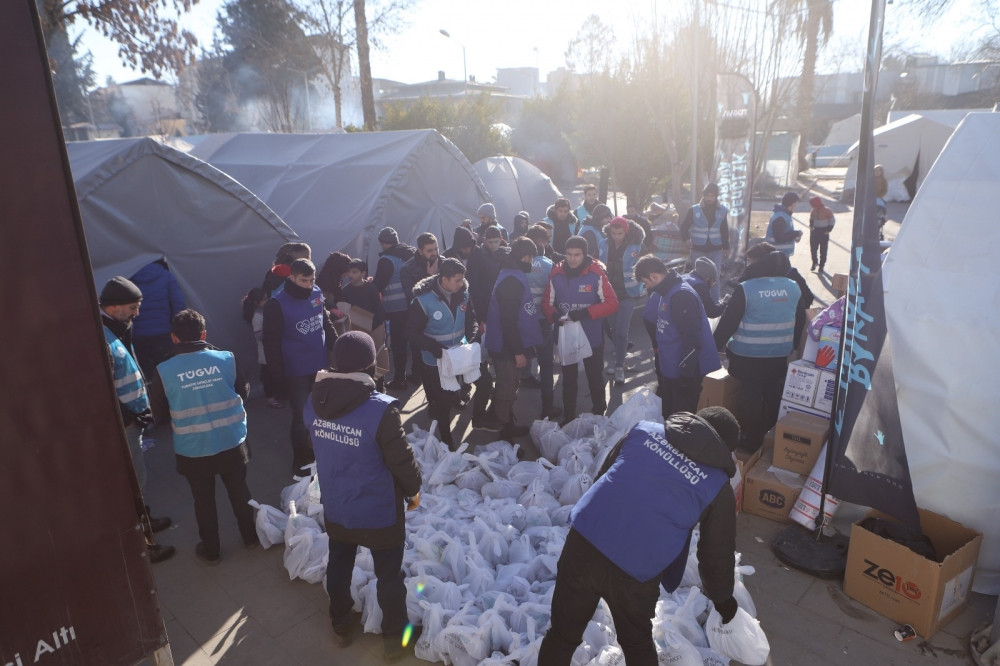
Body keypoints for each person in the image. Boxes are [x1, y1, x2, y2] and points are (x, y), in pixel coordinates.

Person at [538, 408, 742, 666]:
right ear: (723, 448)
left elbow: (606, 478)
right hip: (635, 569)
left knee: (561, 636)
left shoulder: (643, 431)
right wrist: (723, 601)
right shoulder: (716, 485)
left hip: (584, 542)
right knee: (637, 645)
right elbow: (716, 555)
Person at [305, 331, 421, 663]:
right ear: (371, 366)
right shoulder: (380, 411)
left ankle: (341, 624)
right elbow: (400, 460)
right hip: (378, 510)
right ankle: (394, 639)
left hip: (338, 504)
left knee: (339, 562)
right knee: (389, 575)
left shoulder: (312, 401)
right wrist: (413, 489)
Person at [151, 309, 257, 564]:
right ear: (204, 334)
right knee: (239, 492)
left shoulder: (164, 370)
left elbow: (159, 413)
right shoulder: (226, 358)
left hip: (193, 449)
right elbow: (243, 392)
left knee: (203, 500)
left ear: (174, 338)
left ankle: (211, 550)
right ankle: (251, 537)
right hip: (231, 441)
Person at [99, 276, 175, 563]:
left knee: (138, 480)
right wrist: (129, 416)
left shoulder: (115, 328)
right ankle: (144, 544)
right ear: (114, 306)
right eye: (132, 307)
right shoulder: (102, 338)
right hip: (125, 424)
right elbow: (103, 389)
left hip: (132, 420)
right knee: (133, 482)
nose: (137, 314)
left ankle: (146, 520)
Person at [714, 251, 800, 452]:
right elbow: (800, 318)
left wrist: (715, 344)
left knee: (750, 394)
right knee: (772, 391)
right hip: (779, 353)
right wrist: (794, 346)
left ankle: (751, 438)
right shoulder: (792, 287)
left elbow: (729, 321)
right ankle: (772, 433)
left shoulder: (747, 288)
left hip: (748, 354)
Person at [263, 258, 338, 472]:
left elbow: (325, 322)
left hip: (321, 366)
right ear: (292, 278)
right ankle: (301, 459)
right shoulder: (276, 304)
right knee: (301, 415)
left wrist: (339, 348)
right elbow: (271, 343)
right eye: (303, 280)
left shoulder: (316, 293)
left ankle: (322, 450)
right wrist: (278, 377)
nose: (308, 284)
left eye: (311, 280)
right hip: (296, 371)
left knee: (324, 411)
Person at [542, 236, 619, 423]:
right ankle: (569, 417)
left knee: (595, 378)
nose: (572, 259)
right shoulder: (557, 273)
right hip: (567, 336)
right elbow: (546, 303)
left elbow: (612, 303)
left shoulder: (596, 273)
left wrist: (586, 312)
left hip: (592, 336)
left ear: (585, 254)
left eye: (577, 255)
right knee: (568, 380)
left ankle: (599, 414)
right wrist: (553, 315)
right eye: (568, 254)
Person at [406, 258, 479, 449]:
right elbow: (412, 333)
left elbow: (471, 320)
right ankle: (447, 439)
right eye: (456, 280)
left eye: (462, 279)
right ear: (444, 279)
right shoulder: (423, 301)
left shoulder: (463, 294)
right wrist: (433, 347)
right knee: (443, 401)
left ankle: (453, 401)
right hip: (435, 360)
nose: (461, 283)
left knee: (461, 388)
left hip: (459, 356)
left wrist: (471, 337)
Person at [635, 256, 721, 418]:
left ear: (654, 276)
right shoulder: (666, 291)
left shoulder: (681, 295)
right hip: (671, 368)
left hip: (683, 374)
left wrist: (685, 375)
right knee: (668, 414)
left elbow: (692, 338)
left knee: (680, 419)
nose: (646, 287)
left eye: (645, 283)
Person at [482, 238, 543, 440]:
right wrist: (518, 351)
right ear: (521, 256)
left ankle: (505, 420)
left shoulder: (512, 273)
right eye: (529, 256)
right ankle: (503, 432)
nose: (530, 261)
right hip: (506, 346)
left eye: (532, 257)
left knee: (509, 385)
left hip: (506, 343)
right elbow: (508, 321)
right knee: (506, 387)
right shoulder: (511, 281)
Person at [467, 226, 510, 427]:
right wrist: (480, 316)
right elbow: (474, 287)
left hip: (501, 310)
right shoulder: (477, 256)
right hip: (484, 310)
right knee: (482, 355)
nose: (493, 245)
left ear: (500, 239)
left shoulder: (505, 253)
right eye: (489, 242)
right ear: (484, 240)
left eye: (496, 241)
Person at [598, 216, 645, 385]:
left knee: (622, 331)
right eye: (614, 233)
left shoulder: (636, 246)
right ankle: (620, 360)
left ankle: (619, 366)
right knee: (613, 328)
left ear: (626, 231)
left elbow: (645, 265)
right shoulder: (603, 244)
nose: (617, 236)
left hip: (628, 294)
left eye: (620, 233)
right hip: (608, 294)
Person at [128, 259, 186, 385]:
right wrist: (175, 327)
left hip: (138, 336)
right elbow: (179, 303)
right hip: (163, 334)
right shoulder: (165, 275)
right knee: (173, 375)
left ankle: (155, 402)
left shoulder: (129, 276)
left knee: (148, 379)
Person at [373, 227, 416, 391]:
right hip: (412, 305)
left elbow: (379, 284)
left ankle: (400, 379)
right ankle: (417, 374)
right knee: (412, 342)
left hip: (396, 308)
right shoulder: (409, 253)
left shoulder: (386, 259)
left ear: (383, 243)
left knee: (398, 345)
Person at [525, 225, 560, 419]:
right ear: (541, 243)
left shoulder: (519, 264)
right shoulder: (549, 265)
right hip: (544, 321)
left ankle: (508, 414)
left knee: (520, 361)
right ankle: (548, 408)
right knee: (546, 366)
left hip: (524, 322)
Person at [400, 233, 441, 386]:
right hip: (420, 317)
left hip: (441, 314)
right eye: (429, 250)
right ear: (420, 250)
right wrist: (430, 277)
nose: (434, 253)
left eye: (436, 249)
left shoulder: (442, 262)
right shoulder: (407, 268)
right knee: (420, 353)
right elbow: (411, 296)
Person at [681, 183, 730, 302]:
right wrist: (687, 239)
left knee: (715, 278)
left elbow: (724, 230)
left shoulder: (722, 210)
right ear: (703, 195)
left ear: (716, 196)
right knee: (698, 277)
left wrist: (726, 247)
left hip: (716, 250)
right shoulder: (694, 210)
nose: (709, 198)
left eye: (712, 195)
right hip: (698, 250)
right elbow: (684, 227)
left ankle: (714, 303)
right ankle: (697, 302)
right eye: (707, 195)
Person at [242, 287, 283, 408]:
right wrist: (273, 331)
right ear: (256, 303)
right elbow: (259, 335)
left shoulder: (266, 311)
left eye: (267, 298)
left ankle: (278, 395)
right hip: (266, 352)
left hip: (274, 349)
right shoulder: (257, 317)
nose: (267, 300)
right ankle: (270, 399)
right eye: (264, 299)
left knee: (274, 374)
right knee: (268, 376)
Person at [341, 258, 386, 332]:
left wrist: (372, 326)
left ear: (363, 273)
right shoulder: (345, 291)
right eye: (349, 272)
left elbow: (379, 311)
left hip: (373, 328)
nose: (350, 275)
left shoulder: (372, 288)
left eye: (354, 272)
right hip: (354, 329)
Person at [765, 191, 803, 257]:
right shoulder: (780, 217)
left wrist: (795, 235)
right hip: (777, 254)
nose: (796, 204)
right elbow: (779, 238)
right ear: (793, 203)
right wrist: (796, 233)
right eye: (796, 202)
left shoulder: (783, 214)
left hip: (780, 253)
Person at [808, 196, 835, 273]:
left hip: (824, 232)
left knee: (823, 250)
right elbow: (811, 218)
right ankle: (814, 262)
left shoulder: (827, 210)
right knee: (813, 249)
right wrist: (811, 225)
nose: (812, 206)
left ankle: (822, 265)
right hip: (815, 231)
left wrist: (828, 230)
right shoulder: (813, 210)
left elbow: (832, 221)